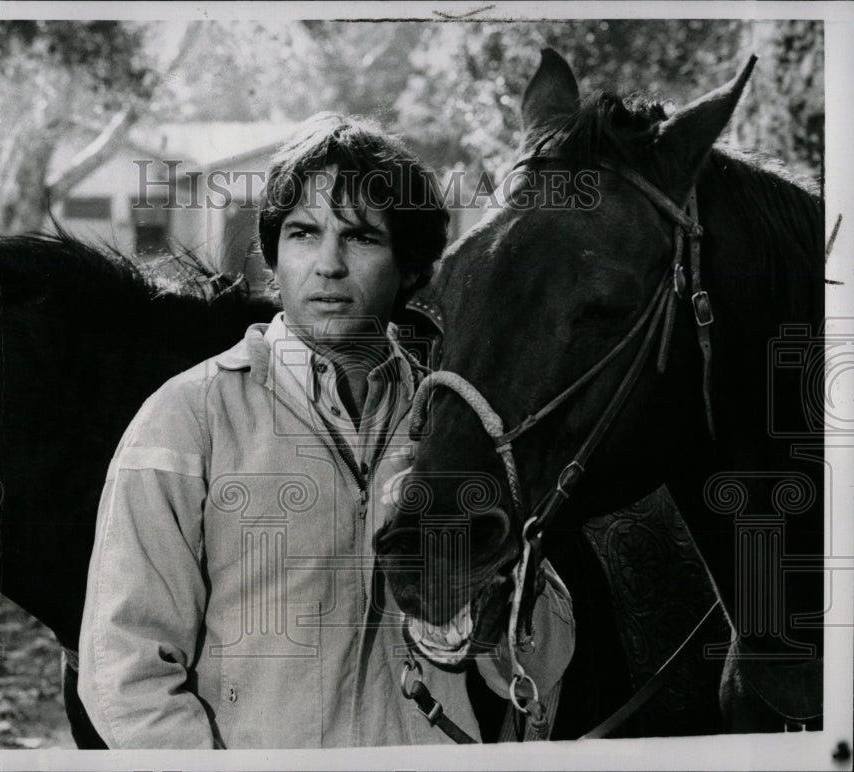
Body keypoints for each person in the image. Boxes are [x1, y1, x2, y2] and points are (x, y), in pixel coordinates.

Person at [78, 113, 574, 748]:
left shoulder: (460, 427)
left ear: (412, 268)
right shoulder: (187, 418)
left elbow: (539, 664)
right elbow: (123, 668)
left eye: (362, 237)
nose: (328, 265)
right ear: (275, 254)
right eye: (304, 233)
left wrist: (484, 585)